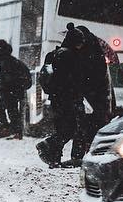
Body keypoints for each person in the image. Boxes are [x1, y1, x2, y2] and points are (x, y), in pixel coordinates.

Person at [35, 25, 87, 168]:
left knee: (62, 128)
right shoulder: (71, 56)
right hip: (68, 98)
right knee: (72, 129)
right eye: (80, 42)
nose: (81, 46)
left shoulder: (53, 54)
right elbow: (72, 79)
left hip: (56, 98)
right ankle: (46, 146)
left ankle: (54, 159)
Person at [69, 25, 115, 163]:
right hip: (97, 97)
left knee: (84, 125)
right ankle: (90, 153)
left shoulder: (87, 55)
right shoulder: (95, 51)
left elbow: (86, 77)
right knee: (93, 125)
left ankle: (80, 156)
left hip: (91, 96)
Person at [0, 40, 33, 140]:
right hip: (14, 90)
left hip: (12, 91)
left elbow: (5, 81)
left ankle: (11, 130)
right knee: (11, 111)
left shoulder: (7, 63)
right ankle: (14, 131)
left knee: (8, 110)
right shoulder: (11, 61)